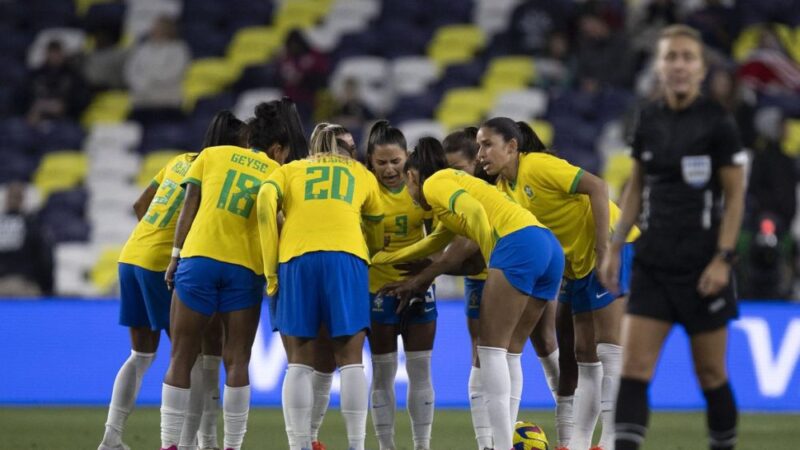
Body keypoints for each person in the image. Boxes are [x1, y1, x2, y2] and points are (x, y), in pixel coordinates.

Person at [599, 25, 745, 450]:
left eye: (687, 57)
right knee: (634, 368)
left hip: (703, 266)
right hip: (654, 263)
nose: (678, 65)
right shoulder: (648, 118)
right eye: (671, 57)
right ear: (660, 66)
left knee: (711, 374)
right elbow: (635, 187)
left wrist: (723, 258)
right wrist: (615, 246)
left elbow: (735, 198)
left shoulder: (717, 122)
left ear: (700, 69)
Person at [372, 137, 564, 450]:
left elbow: (474, 211)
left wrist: (493, 256)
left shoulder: (435, 184)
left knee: (489, 352)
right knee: (509, 351)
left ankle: (499, 446)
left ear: (411, 176)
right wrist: (383, 259)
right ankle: (507, 440)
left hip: (516, 245)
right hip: (547, 246)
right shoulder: (449, 189)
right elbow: (434, 243)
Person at [99, 111, 246, 450]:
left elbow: (140, 204)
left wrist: (153, 238)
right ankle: (189, 443)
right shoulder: (217, 172)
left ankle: (111, 437)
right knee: (188, 357)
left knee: (141, 354)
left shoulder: (179, 161)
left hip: (131, 255)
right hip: (159, 264)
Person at [158, 100, 293, 450]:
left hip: (199, 258)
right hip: (244, 269)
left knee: (182, 356)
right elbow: (277, 223)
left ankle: (169, 444)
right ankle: (232, 445)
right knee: (237, 359)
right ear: (277, 148)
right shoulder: (276, 172)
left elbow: (190, 206)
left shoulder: (212, 155)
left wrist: (175, 256)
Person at [257, 127, 384, 450]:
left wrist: (270, 267)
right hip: (347, 256)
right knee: (351, 358)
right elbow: (377, 225)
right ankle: (357, 445)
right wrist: (366, 252)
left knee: (299, 359)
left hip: (296, 258)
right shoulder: (361, 173)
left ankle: (299, 444)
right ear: (345, 150)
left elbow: (263, 204)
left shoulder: (290, 171)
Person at [361, 121, 436, 450]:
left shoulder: (422, 187)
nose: (390, 169)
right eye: (381, 163)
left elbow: (440, 236)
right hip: (379, 290)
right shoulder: (365, 190)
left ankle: (422, 445)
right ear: (370, 161)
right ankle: (386, 446)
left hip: (419, 289)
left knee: (420, 371)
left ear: (407, 157)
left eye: (396, 161)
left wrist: (429, 267)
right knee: (383, 374)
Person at [125, 16, 190, 124]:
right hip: (141, 104)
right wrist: (140, 83)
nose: (154, 29)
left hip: (167, 104)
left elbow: (174, 72)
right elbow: (131, 70)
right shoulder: (142, 49)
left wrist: (150, 79)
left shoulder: (179, 49)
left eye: (158, 27)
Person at [0, 182, 53, 296]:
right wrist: (48, 289)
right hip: (25, 287)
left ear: (6, 200)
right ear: (22, 200)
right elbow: (45, 259)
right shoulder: (31, 224)